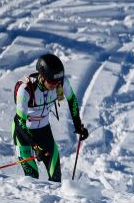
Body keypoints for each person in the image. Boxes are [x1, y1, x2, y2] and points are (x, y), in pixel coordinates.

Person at [12, 53, 89, 182]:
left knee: (56, 179)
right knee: (32, 178)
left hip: (44, 131)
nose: (55, 85)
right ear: (41, 76)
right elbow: (20, 123)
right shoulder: (25, 89)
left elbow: (72, 100)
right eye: (52, 82)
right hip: (24, 133)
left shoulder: (60, 83)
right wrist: (36, 147)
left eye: (57, 82)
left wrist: (78, 125)